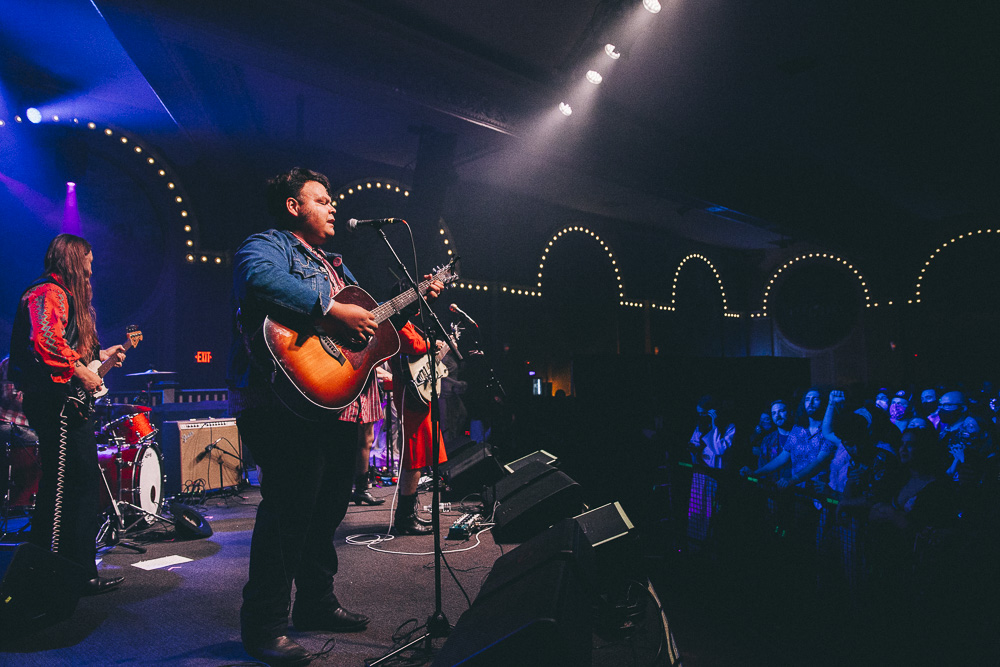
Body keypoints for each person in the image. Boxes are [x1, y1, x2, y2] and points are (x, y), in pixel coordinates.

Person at [228, 167, 442, 665]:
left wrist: (410, 305)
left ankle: (316, 605)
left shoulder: (337, 266)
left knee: (325, 511)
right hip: (281, 399)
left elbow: (371, 332)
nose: (332, 207)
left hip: (334, 405)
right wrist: (329, 309)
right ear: (292, 206)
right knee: (287, 511)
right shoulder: (268, 245)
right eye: (322, 200)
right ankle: (263, 626)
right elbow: (255, 279)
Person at [8, 234, 126, 593]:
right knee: (62, 489)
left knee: (80, 485)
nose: (93, 265)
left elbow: (69, 343)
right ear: (75, 258)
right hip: (55, 401)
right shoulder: (47, 292)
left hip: (68, 402)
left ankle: (79, 571)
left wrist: (101, 356)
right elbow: (47, 343)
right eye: (89, 258)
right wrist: (84, 372)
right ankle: (49, 573)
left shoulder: (67, 296)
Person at [390, 322, 449, 535]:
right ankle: (405, 518)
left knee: (420, 454)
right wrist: (433, 343)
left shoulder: (410, 323)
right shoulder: (399, 322)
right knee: (414, 455)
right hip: (410, 397)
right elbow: (412, 345)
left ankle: (408, 514)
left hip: (418, 396)